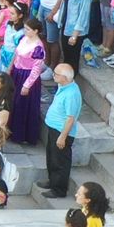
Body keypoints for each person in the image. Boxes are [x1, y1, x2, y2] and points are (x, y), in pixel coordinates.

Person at [39, 63, 83, 198]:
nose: (53, 75)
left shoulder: (72, 94)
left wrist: (63, 136)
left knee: (60, 161)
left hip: (62, 131)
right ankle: (52, 181)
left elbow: (71, 118)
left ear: (65, 77)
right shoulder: (63, 86)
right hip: (54, 127)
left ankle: (59, 189)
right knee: (51, 156)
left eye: (56, 74)